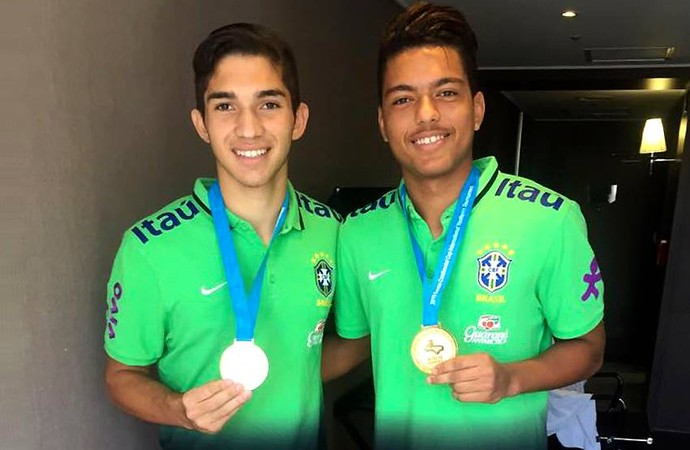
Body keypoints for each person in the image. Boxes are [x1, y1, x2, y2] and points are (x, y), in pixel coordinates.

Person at [328, 2, 606, 449]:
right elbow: (357, 341)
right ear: (382, 122)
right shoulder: (358, 232)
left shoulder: (549, 219)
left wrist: (511, 378)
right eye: (403, 99)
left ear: (476, 109)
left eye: (446, 93)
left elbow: (589, 348)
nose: (426, 114)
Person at [104, 23, 340, 450]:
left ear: (298, 119)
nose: (248, 128)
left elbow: (325, 351)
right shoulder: (148, 249)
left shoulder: (332, 230)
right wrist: (178, 410)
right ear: (202, 124)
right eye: (226, 106)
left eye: (269, 104)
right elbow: (122, 376)